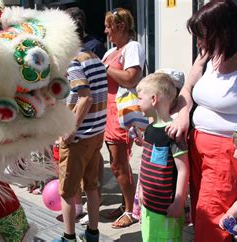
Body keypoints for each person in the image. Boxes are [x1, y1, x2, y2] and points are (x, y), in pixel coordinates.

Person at [166, 1, 237, 241]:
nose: (198, 43)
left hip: (229, 154)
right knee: (202, 214)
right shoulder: (211, 53)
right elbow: (188, 87)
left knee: (212, 220)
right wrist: (184, 113)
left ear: (225, 32)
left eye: (203, 36)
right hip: (197, 148)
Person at [57, 15, 108, 241]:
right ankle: (93, 234)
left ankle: (69, 238)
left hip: (79, 137)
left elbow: (85, 97)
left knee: (67, 192)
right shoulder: (95, 57)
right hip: (96, 134)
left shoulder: (73, 62)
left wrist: (70, 131)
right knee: (92, 186)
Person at [102, 7, 146, 228]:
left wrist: (104, 68)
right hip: (107, 113)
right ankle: (125, 204)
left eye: (109, 26)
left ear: (120, 27)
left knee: (119, 165)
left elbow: (130, 78)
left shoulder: (132, 47)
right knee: (116, 164)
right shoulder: (111, 52)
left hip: (121, 113)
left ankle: (131, 211)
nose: (106, 31)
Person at [136, 73, 189, 241]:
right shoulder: (150, 129)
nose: (137, 103)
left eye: (139, 98)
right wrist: (142, 189)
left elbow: (183, 169)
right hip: (149, 206)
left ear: (153, 99)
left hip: (166, 209)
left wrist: (178, 202)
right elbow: (146, 164)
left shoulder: (172, 133)